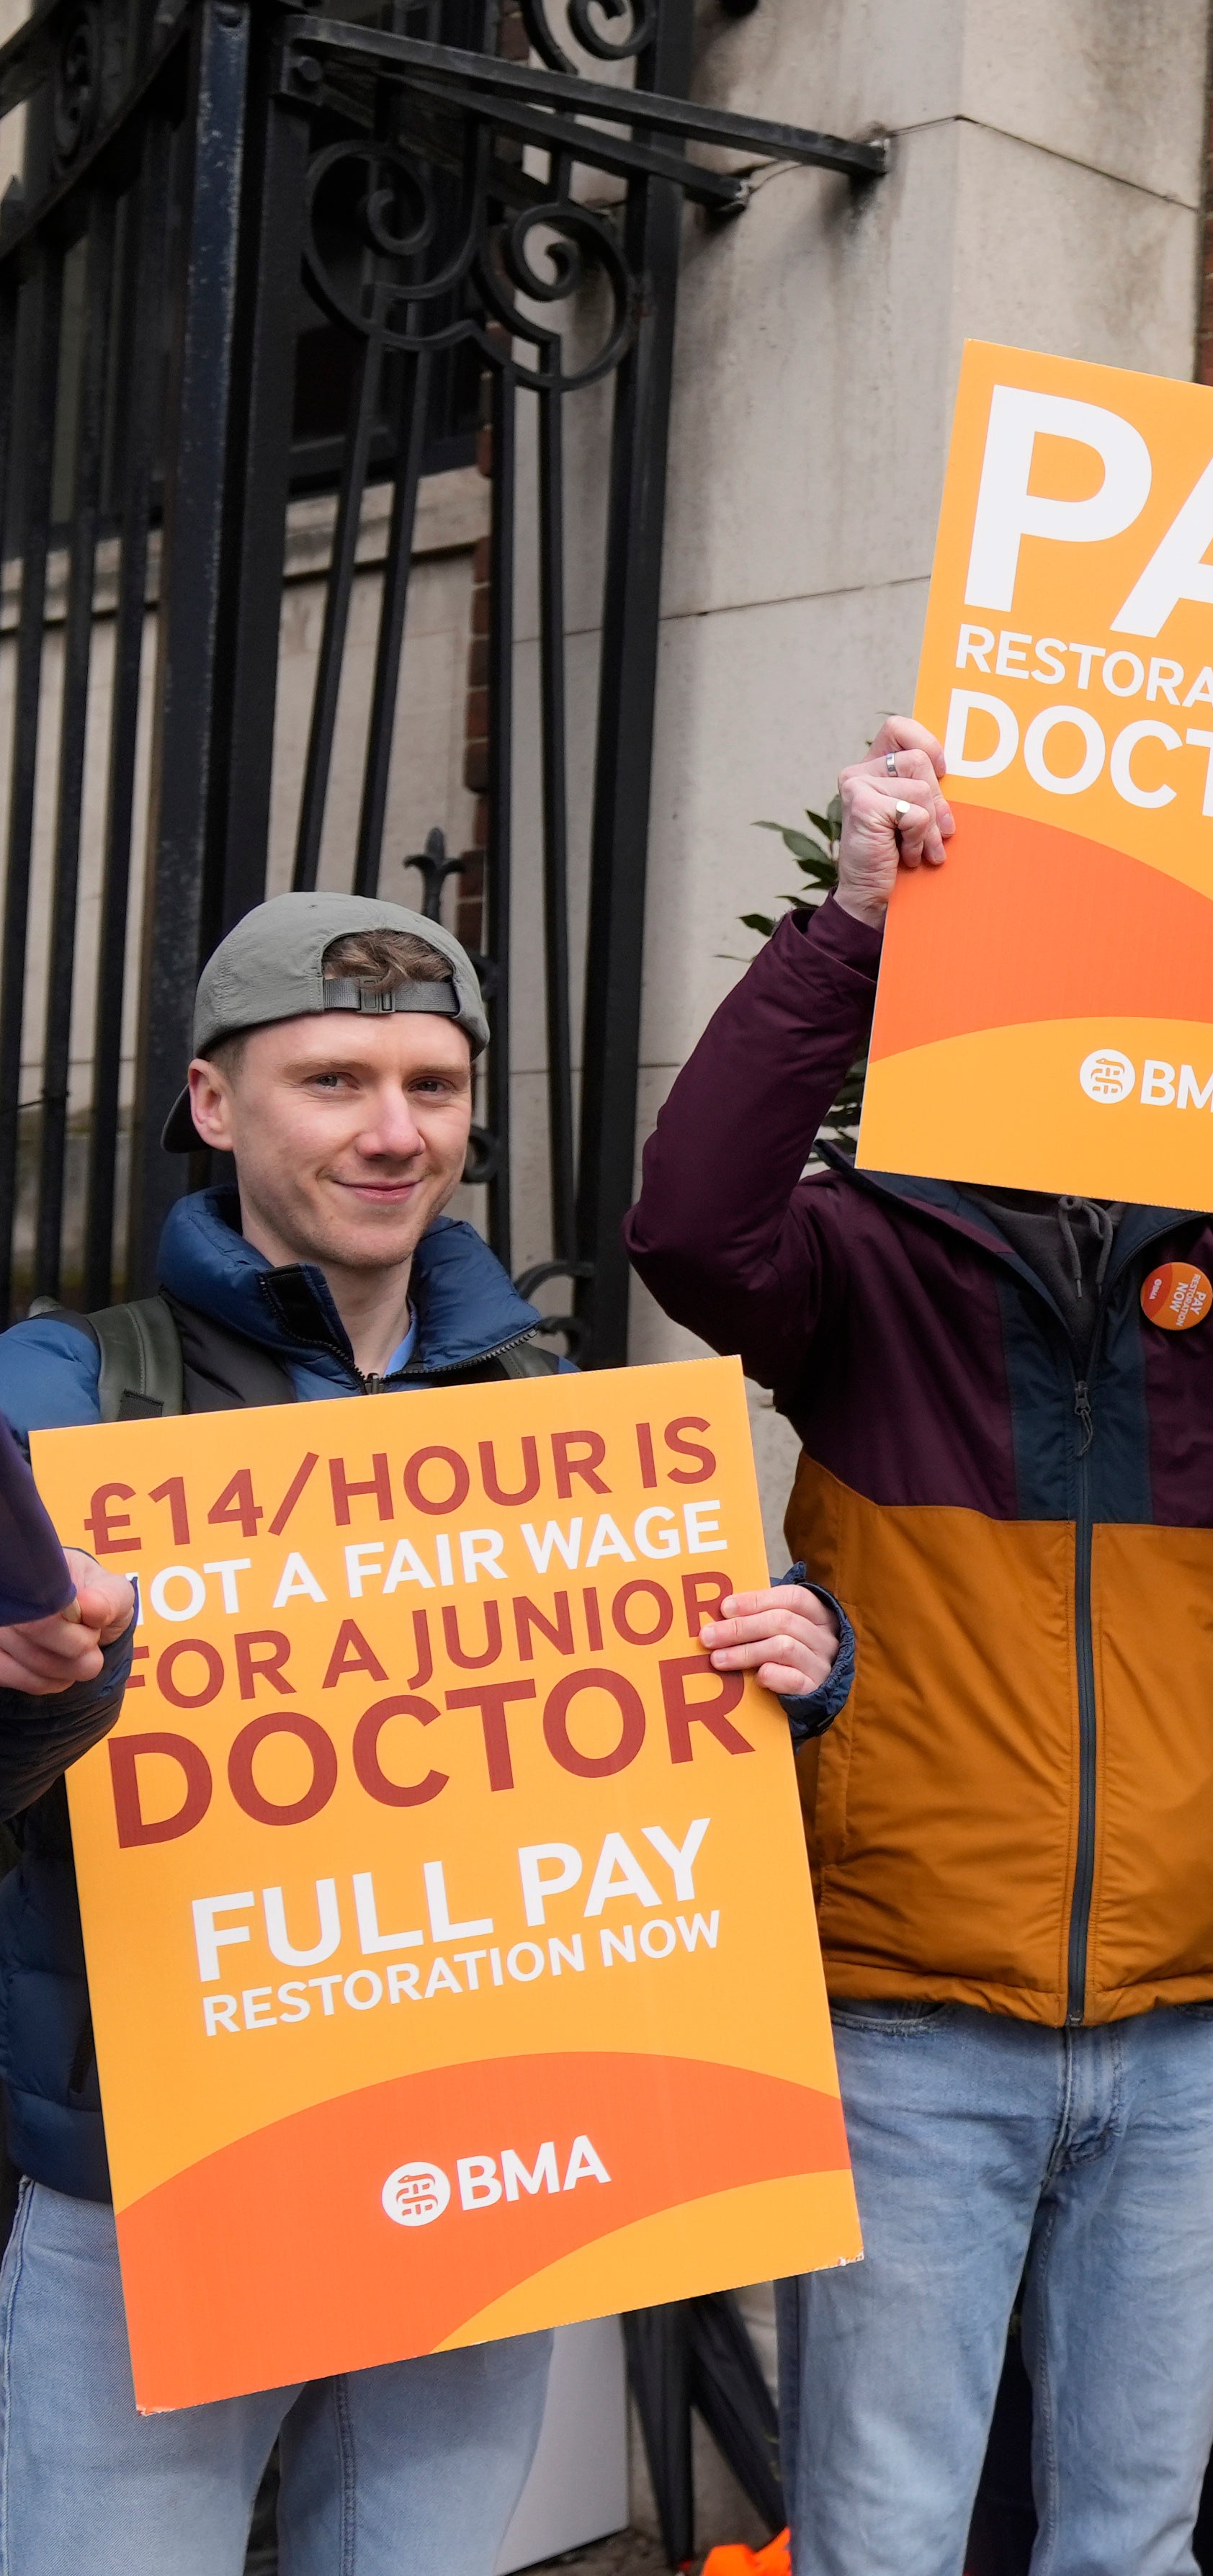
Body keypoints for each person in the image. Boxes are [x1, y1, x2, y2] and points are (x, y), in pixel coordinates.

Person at [625, 723, 1213, 2576]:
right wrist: (853, 927)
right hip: (914, 2026)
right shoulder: (863, 1259)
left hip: (1187, 2030)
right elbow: (685, 1227)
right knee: (880, 2539)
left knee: (1131, 2543)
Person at [0, 893, 852, 2573]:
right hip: (151, 2180)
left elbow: (686, 1730)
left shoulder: (561, 1407)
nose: (396, 1133)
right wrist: (33, 1669)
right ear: (212, 1101)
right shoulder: (62, 1392)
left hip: (482, 2156)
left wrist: (795, 1655)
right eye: (333, 1080)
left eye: (435, 1085)